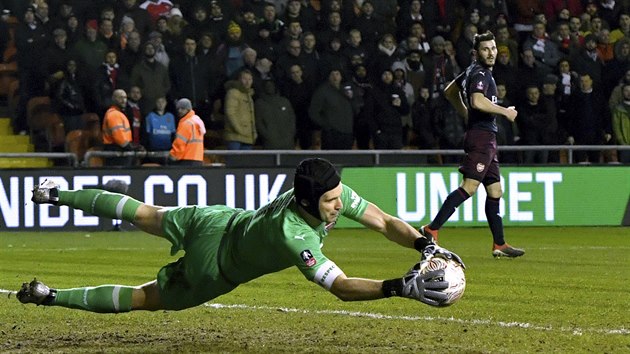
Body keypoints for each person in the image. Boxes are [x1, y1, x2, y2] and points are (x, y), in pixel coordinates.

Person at [16, 158, 464, 312]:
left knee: (145, 213)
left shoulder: (325, 192)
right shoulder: (296, 238)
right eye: (330, 202)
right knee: (144, 299)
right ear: (307, 203)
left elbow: (385, 222)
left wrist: (424, 243)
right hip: (216, 267)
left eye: (337, 196)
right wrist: (397, 288)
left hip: (217, 220)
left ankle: (57, 193)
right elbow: (343, 288)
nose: (339, 205)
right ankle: (52, 296)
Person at [419, 31, 525, 258]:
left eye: (493, 48)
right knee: (469, 187)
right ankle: (431, 228)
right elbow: (477, 100)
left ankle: (500, 244)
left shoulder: (471, 71)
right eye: (486, 49)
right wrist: (504, 111)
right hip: (481, 137)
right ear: (476, 53)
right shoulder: (480, 73)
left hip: (485, 136)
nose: (491, 53)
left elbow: (450, 92)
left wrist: (464, 113)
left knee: (495, 190)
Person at [102, 89, 139, 166]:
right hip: (116, 152)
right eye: (120, 98)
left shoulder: (118, 113)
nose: (124, 100)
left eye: (125, 98)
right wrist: (131, 147)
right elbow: (119, 138)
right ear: (114, 99)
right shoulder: (114, 114)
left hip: (120, 150)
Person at [168, 98, 206, 166]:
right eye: (178, 108)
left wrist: (172, 157)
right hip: (198, 159)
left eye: (182, 108)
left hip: (186, 160)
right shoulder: (197, 121)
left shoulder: (185, 124)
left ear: (188, 109)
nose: (179, 111)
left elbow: (179, 144)